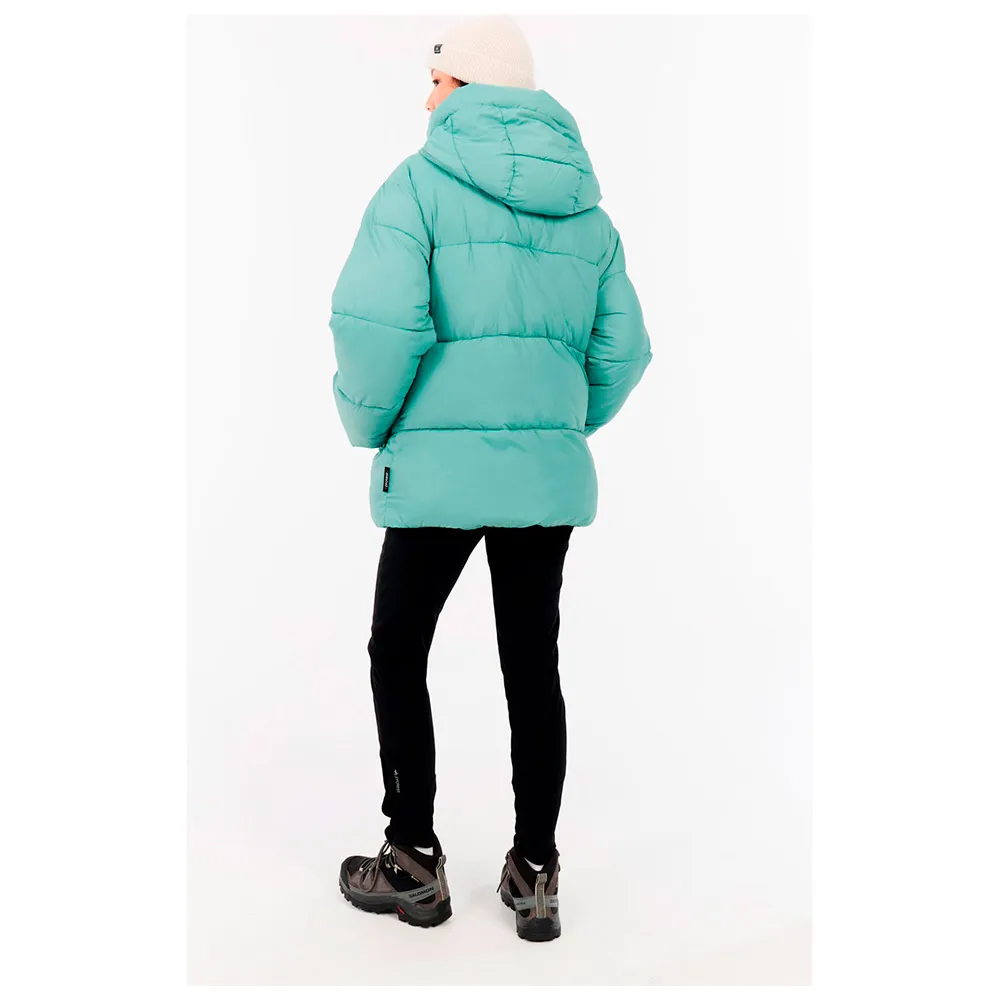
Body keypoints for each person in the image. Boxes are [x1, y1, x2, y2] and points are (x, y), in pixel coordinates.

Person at [330, 15, 651, 942]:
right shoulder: (588, 213)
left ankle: (412, 857)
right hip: (542, 484)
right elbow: (623, 350)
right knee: (531, 666)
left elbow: (375, 326)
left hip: (436, 470)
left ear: (466, 86)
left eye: (437, 79)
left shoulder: (417, 188)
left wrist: (371, 428)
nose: (427, 95)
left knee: (398, 651)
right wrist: (553, 427)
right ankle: (536, 871)